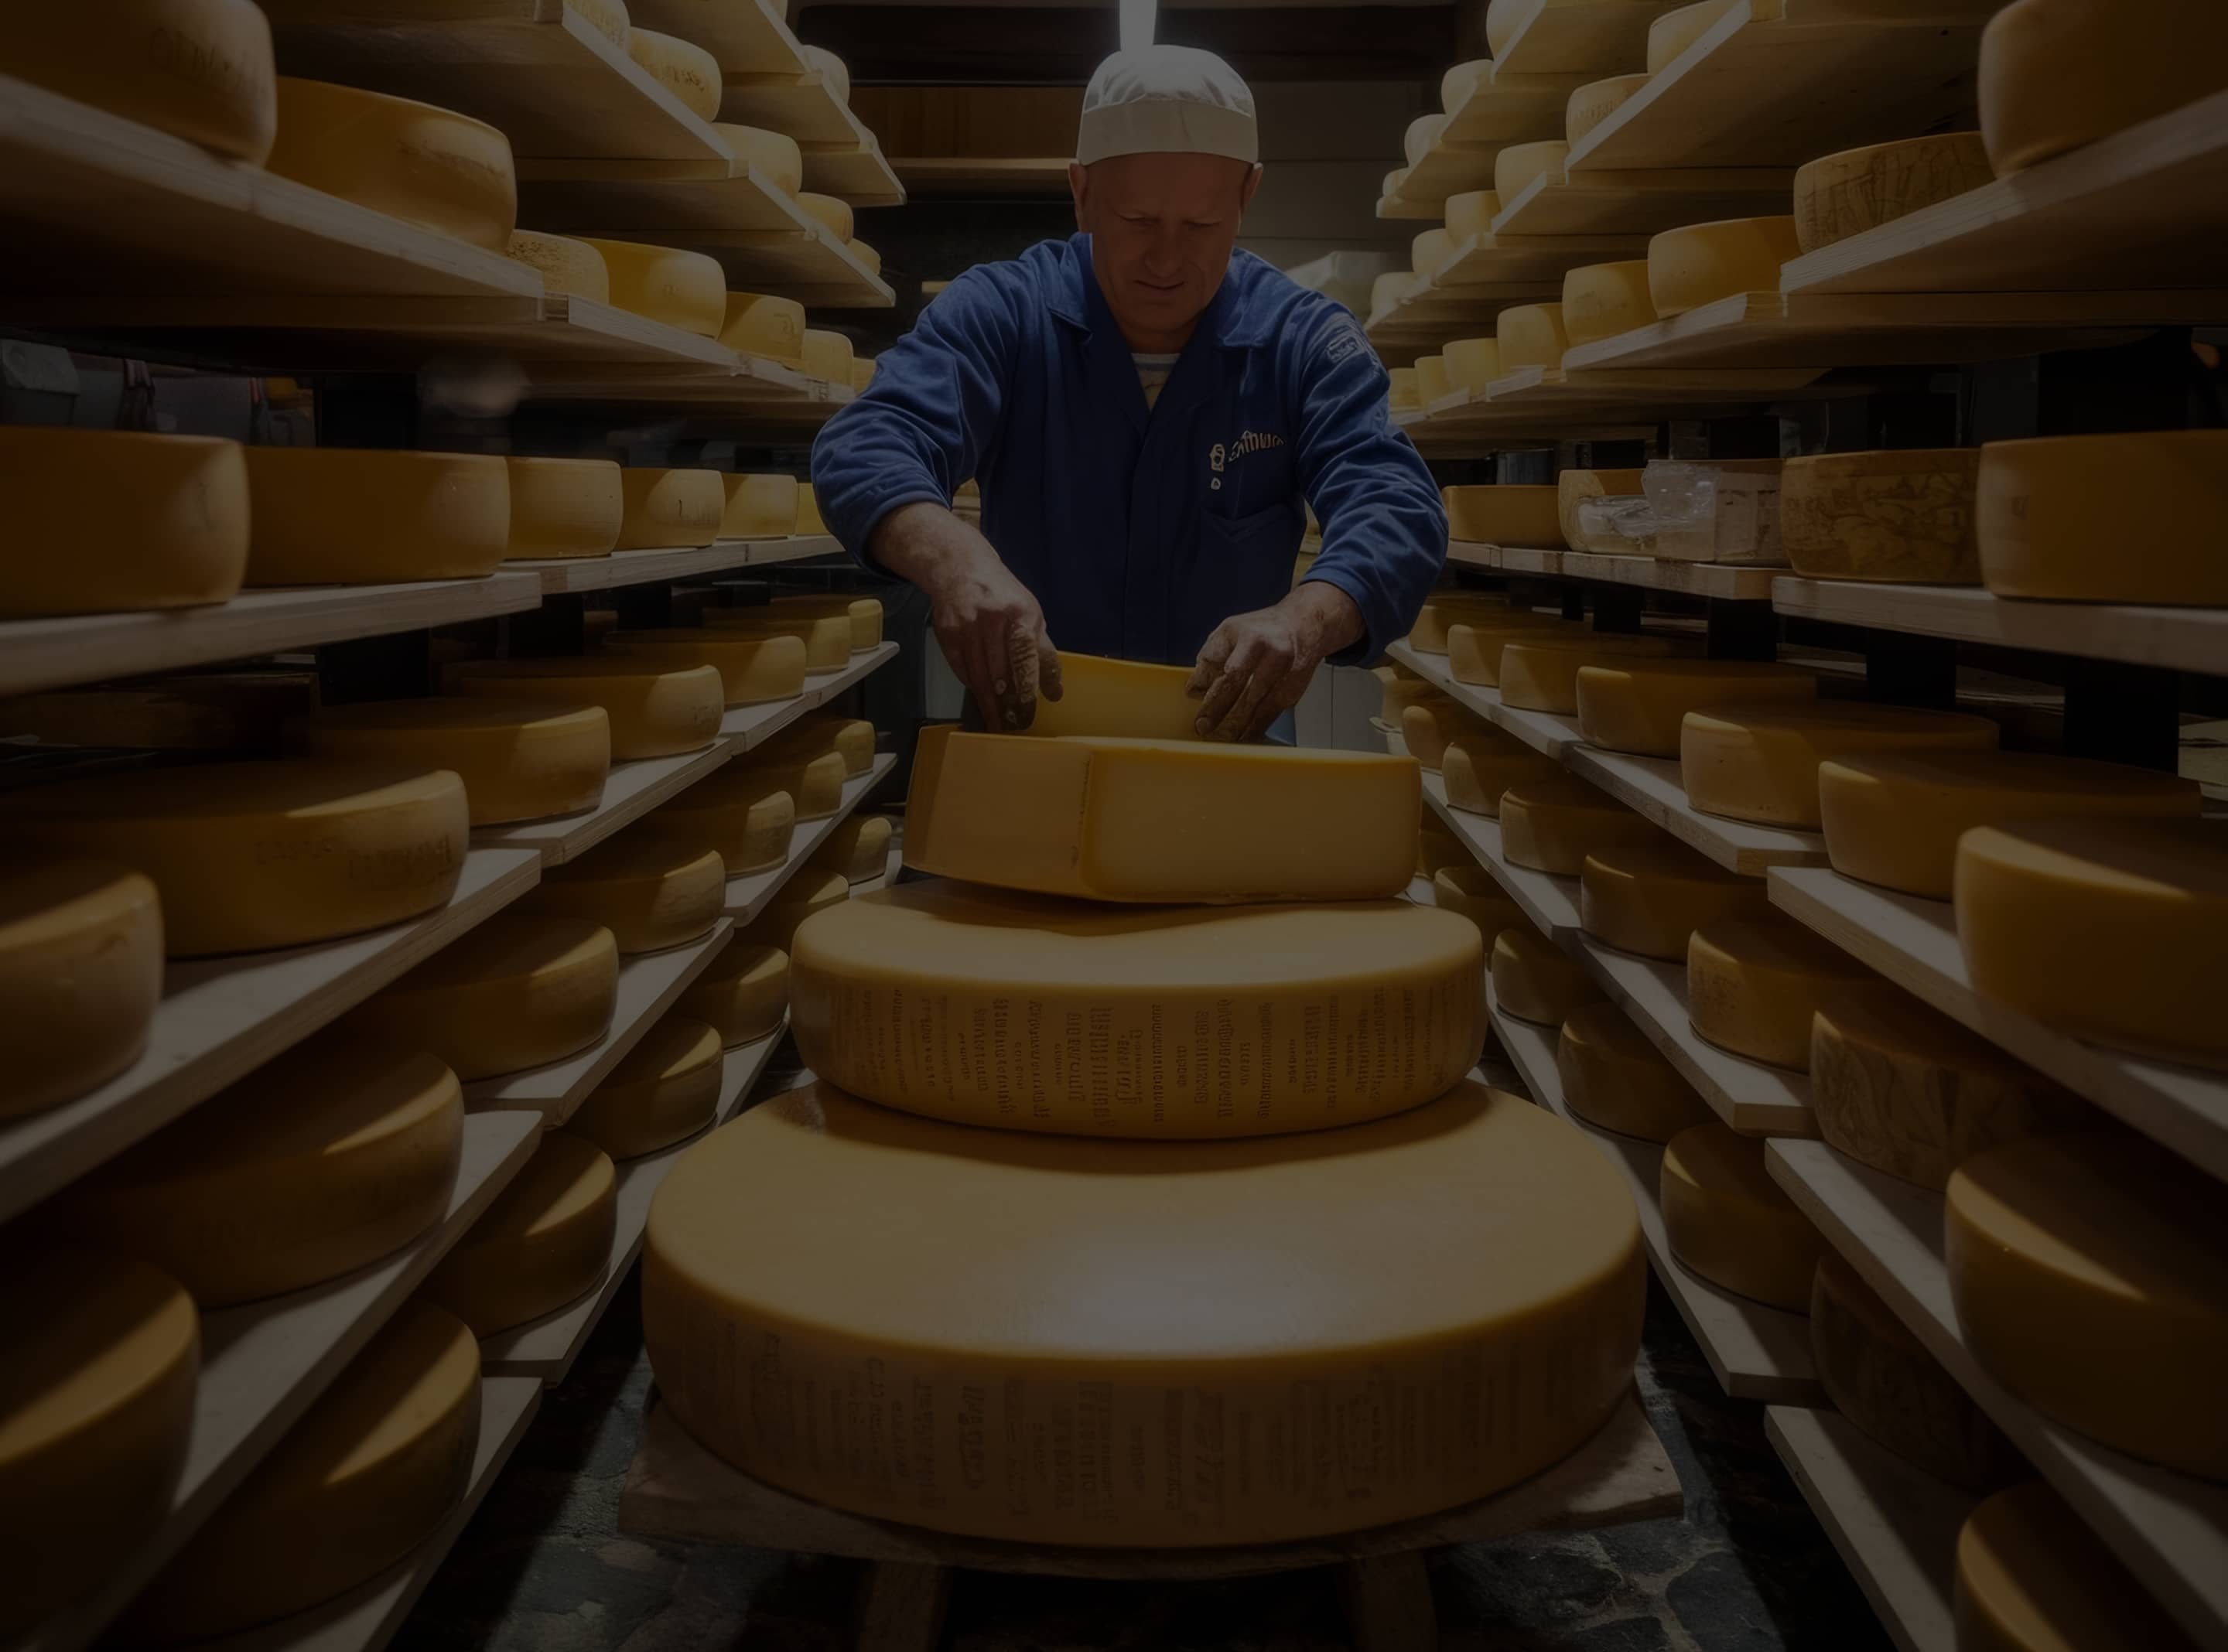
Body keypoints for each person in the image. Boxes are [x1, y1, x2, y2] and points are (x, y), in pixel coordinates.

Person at [811, 43, 1447, 740]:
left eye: (1201, 225)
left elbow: (1397, 505)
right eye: (1139, 221)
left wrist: (1307, 618)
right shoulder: (1004, 312)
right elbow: (867, 443)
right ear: (1081, 192)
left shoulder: (1303, 340)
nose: (1167, 259)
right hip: (1034, 756)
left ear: (1247, 195)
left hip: (1229, 763)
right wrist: (954, 561)